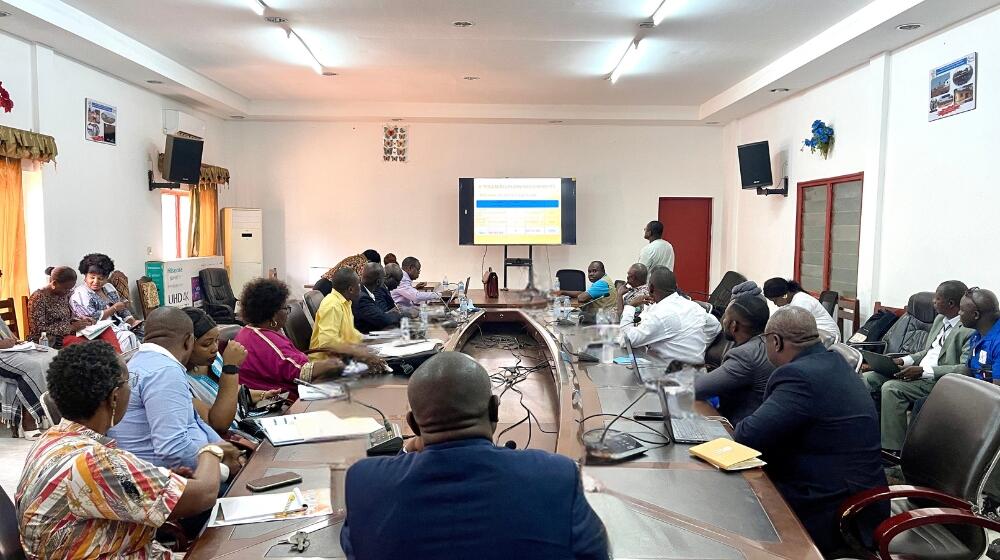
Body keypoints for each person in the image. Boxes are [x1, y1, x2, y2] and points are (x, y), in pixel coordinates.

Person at [340, 352, 609, 560]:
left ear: (413, 425)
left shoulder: (364, 481)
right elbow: (595, 553)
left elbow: (356, 545)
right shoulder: (556, 476)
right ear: (495, 410)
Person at [16, 341, 227, 560]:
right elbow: (205, 494)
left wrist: (162, 481)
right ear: (114, 396)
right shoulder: (94, 462)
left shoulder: (51, 440)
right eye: (129, 383)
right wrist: (211, 450)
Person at [734, 307, 886, 555]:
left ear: (776, 341)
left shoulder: (799, 376)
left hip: (834, 504)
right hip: (851, 487)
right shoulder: (832, 361)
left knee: (736, 506)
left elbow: (747, 436)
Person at [109, 307, 242, 482]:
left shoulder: (144, 363)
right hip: (170, 481)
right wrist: (224, 469)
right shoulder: (164, 372)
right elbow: (173, 448)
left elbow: (194, 422)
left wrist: (223, 449)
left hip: (189, 468)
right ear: (189, 341)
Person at [863, 280, 972, 454]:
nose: (933, 302)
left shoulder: (967, 329)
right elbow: (926, 352)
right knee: (869, 378)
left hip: (938, 381)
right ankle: (869, 436)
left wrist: (923, 371)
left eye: (937, 299)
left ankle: (893, 449)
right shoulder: (939, 320)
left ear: (951, 303)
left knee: (892, 388)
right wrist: (903, 361)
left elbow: (964, 369)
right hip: (916, 373)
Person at [233, 278, 345, 399]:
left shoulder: (252, 331)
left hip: (289, 394)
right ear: (273, 314)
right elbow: (302, 372)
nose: (287, 312)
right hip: (287, 404)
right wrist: (343, 363)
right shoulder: (265, 340)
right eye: (285, 308)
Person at [694, 281, 774, 425]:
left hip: (742, 431)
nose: (722, 321)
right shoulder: (769, 343)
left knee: (691, 401)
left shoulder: (745, 355)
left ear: (733, 325)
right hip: (764, 424)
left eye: (725, 317)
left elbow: (696, 389)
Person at [620, 266, 721, 364]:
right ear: (676, 287)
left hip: (670, 376)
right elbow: (716, 326)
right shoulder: (693, 306)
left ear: (650, 288)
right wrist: (698, 348)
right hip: (697, 373)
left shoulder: (660, 315)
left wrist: (630, 306)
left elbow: (626, 341)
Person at [181, 307, 258, 434]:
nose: (215, 348)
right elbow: (219, 425)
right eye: (206, 344)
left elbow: (229, 390)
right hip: (229, 440)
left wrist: (263, 395)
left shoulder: (213, 359)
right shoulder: (178, 380)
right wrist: (230, 368)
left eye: (216, 340)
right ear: (186, 344)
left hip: (244, 424)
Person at [27, 266, 121, 351]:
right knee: (93, 347)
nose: (68, 292)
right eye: (66, 289)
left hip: (70, 333)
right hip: (52, 339)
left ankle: (120, 359)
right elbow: (39, 330)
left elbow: (65, 318)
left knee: (106, 330)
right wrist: (71, 327)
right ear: (54, 283)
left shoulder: (62, 294)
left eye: (71, 289)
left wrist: (80, 320)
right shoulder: (38, 298)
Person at [70, 252, 142, 352]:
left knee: (145, 332)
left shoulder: (109, 288)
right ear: (85, 276)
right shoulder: (80, 294)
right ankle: (125, 365)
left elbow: (122, 309)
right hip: (98, 331)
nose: (96, 282)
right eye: (92, 277)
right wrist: (114, 308)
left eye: (100, 278)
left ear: (106, 277)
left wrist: (133, 321)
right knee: (128, 337)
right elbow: (91, 319)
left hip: (119, 326)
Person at [0, 320, 55, 439]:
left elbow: (4, 330)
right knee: (34, 366)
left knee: (54, 355)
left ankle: (53, 411)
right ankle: (28, 421)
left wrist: (16, 341)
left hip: (8, 350)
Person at [762, 277, 840, 344]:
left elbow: (796, 328)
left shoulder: (801, 301)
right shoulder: (791, 301)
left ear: (783, 295)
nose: (775, 304)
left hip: (827, 337)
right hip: (815, 335)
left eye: (775, 300)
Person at [959, 287, 1000, 380]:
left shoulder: (997, 343)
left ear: (976, 315)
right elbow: (968, 373)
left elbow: (997, 392)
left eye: (962, 310)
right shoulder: (976, 335)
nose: (959, 313)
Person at [354, 262, 403, 333]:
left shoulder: (364, 292)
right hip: (366, 339)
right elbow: (384, 320)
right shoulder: (362, 297)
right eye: (384, 277)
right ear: (378, 282)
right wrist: (405, 314)